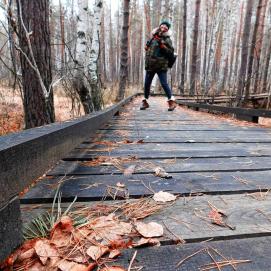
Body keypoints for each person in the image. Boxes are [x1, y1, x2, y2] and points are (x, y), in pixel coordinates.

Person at [140, 20, 177, 111]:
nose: (164, 28)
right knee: (147, 84)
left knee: (164, 84)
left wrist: (162, 45)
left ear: (167, 29)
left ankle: (171, 102)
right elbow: (150, 51)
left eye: (166, 27)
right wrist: (147, 47)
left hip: (161, 66)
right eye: (163, 26)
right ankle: (145, 102)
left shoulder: (167, 39)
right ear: (160, 26)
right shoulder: (153, 37)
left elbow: (170, 52)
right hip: (151, 65)